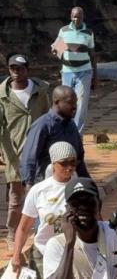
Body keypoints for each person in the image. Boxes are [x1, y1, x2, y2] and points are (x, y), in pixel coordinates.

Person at [43, 177, 117, 279]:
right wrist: (70, 244)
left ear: (99, 205)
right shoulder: (56, 245)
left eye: (88, 201)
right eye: (75, 203)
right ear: (67, 209)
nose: (83, 207)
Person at [0, 54, 51, 251]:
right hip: (14, 154)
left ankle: (41, 232)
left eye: (20, 68)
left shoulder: (41, 90)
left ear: (27, 70)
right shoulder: (3, 95)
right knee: (15, 198)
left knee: (41, 193)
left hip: (39, 152)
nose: (16, 72)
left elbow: (48, 116)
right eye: (13, 68)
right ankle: (12, 232)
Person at [10, 142, 77, 276]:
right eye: (64, 163)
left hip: (74, 253)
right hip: (43, 253)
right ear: (53, 164)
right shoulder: (39, 191)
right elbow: (23, 228)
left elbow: (96, 220)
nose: (69, 167)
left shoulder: (81, 188)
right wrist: (16, 255)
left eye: (73, 162)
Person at [20, 86, 90, 187]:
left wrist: (88, 184)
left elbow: (79, 159)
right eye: (70, 103)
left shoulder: (72, 125)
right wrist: (29, 186)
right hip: (46, 186)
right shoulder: (42, 125)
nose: (74, 107)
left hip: (69, 185)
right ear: (57, 102)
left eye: (75, 103)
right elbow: (29, 158)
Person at [51, 7, 96, 134]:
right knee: (65, 100)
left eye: (79, 17)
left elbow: (92, 54)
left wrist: (95, 76)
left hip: (84, 71)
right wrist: (55, 50)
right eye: (74, 17)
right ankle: (64, 128)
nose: (77, 19)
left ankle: (77, 133)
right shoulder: (64, 31)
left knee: (81, 102)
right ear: (71, 17)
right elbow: (57, 47)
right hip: (67, 71)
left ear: (83, 17)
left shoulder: (88, 32)